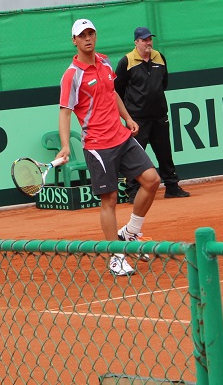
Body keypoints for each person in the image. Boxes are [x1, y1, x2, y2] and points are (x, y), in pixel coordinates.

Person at [58, 18, 161, 276]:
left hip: (121, 136)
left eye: (91, 33)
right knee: (110, 200)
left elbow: (112, 92)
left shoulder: (104, 62)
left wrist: (127, 117)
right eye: (82, 35)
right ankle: (116, 256)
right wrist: (64, 145)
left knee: (151, 180)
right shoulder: (72, 75)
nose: (88, 38)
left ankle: (130, 232)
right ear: (74, 40)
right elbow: (65, 112)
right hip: (97, 144)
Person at [115, 26, 190, 200]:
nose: (148, 42)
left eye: (150, 39)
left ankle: (172, 187)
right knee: (134, 156)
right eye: (144, 40)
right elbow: (117, 90)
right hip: (137, 119)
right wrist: (129, 114)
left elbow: (163, 83)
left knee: (165, 152)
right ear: (136, 42)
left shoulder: (159, 58)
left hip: (159, 116)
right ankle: (133, 191)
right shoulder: (126, 61)